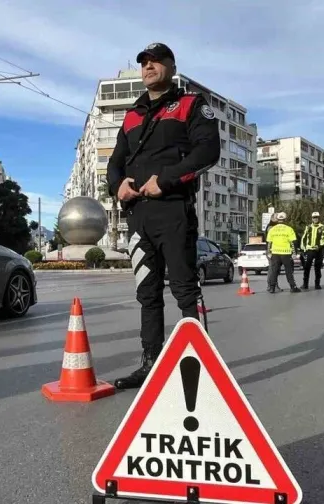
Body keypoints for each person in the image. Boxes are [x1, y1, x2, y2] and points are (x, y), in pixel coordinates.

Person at [107, 42, 220, 390]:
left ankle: (201, 366)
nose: (148, 66)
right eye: (144, 62)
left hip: (174, 212)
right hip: (138, 217)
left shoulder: (190, 105)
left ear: (171, 67)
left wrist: (166, 180)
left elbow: (208, 152)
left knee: (185, 290)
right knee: (147, 293)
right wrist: (117, 185)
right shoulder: (132, 115)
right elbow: (115, 161)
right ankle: (150, 363)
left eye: (156, 61)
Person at [266, 213, 301, 294]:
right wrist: (294, 253)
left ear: (278, 220)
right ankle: (293, 287)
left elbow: (269, 242)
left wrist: (269, 252)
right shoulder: (289, 229)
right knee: (289, 271)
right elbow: (293, 242)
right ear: (285, 220)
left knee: (274, 271)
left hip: (275, 253)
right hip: (286, 253)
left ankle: (272, 288)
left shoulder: (272, 229)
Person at [299, 211, 324, 290]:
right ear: (312, 218)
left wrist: (320, 246)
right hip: (310, 250)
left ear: (319, 218)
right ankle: (305, 284)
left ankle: (317, 284)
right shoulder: (308, 227)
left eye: (317, 217)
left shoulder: (323, 227)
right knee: (307, 268)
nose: (315, 219)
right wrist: (303, 249)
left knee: (317, 268)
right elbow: (303, 238)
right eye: (314, 217)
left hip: (319, 250)